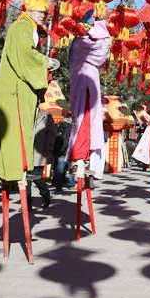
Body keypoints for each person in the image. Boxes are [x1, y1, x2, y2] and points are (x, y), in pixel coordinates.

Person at [0, 0, 59, 188]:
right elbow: (24, 55)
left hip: (19, 88)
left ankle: (14, 171)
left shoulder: (27, 28)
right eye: (40, 12)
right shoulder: (22, 27)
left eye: (45, 13)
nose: (43, 16)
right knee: (14, 130)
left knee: (18, 130)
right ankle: (13, 172)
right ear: (29, 10)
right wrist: (45, 61)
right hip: (15, 89)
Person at [65, 10, 111, 179]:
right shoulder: (82, 42)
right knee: (85, 120)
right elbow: (99, 54)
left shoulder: (80, 42)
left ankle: (83, 157)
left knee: (86, 120)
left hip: (85, 83)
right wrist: (106, 40)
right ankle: (80, 156)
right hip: (84, 84)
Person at [28, 108, 57, 208]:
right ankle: (27, 204)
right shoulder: (25, 113)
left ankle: (45, 195)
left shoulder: (46, 116)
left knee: (37, 178)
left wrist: (48, 148)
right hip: (26, 153)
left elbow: (52, 134)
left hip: (40, 152)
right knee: (26, 180)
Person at [52, 108, 72, 192]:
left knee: (59, 167)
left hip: (59, 149)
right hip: (64, 150)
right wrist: (63, 150)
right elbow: (66, 139)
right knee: (61, 168)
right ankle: (59, 185)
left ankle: (57, 183)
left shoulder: (60, 124)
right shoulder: (68, 126)